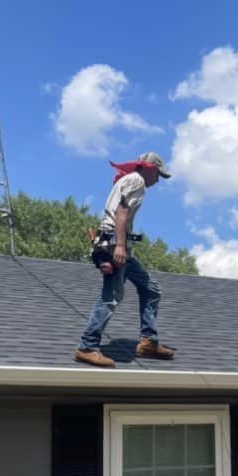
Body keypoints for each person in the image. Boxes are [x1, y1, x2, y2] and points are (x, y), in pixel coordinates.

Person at [74, 151, 175, 367]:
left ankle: (149, 342)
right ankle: (87, 347)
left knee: (151, 289)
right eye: (158, 175)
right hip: (115, 244)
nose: (158, 180)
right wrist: (119, 246)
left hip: (121, 246)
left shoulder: (128, 180)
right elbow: (122, 212)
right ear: (150, 169)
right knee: (112, 296)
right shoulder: (137, 181)